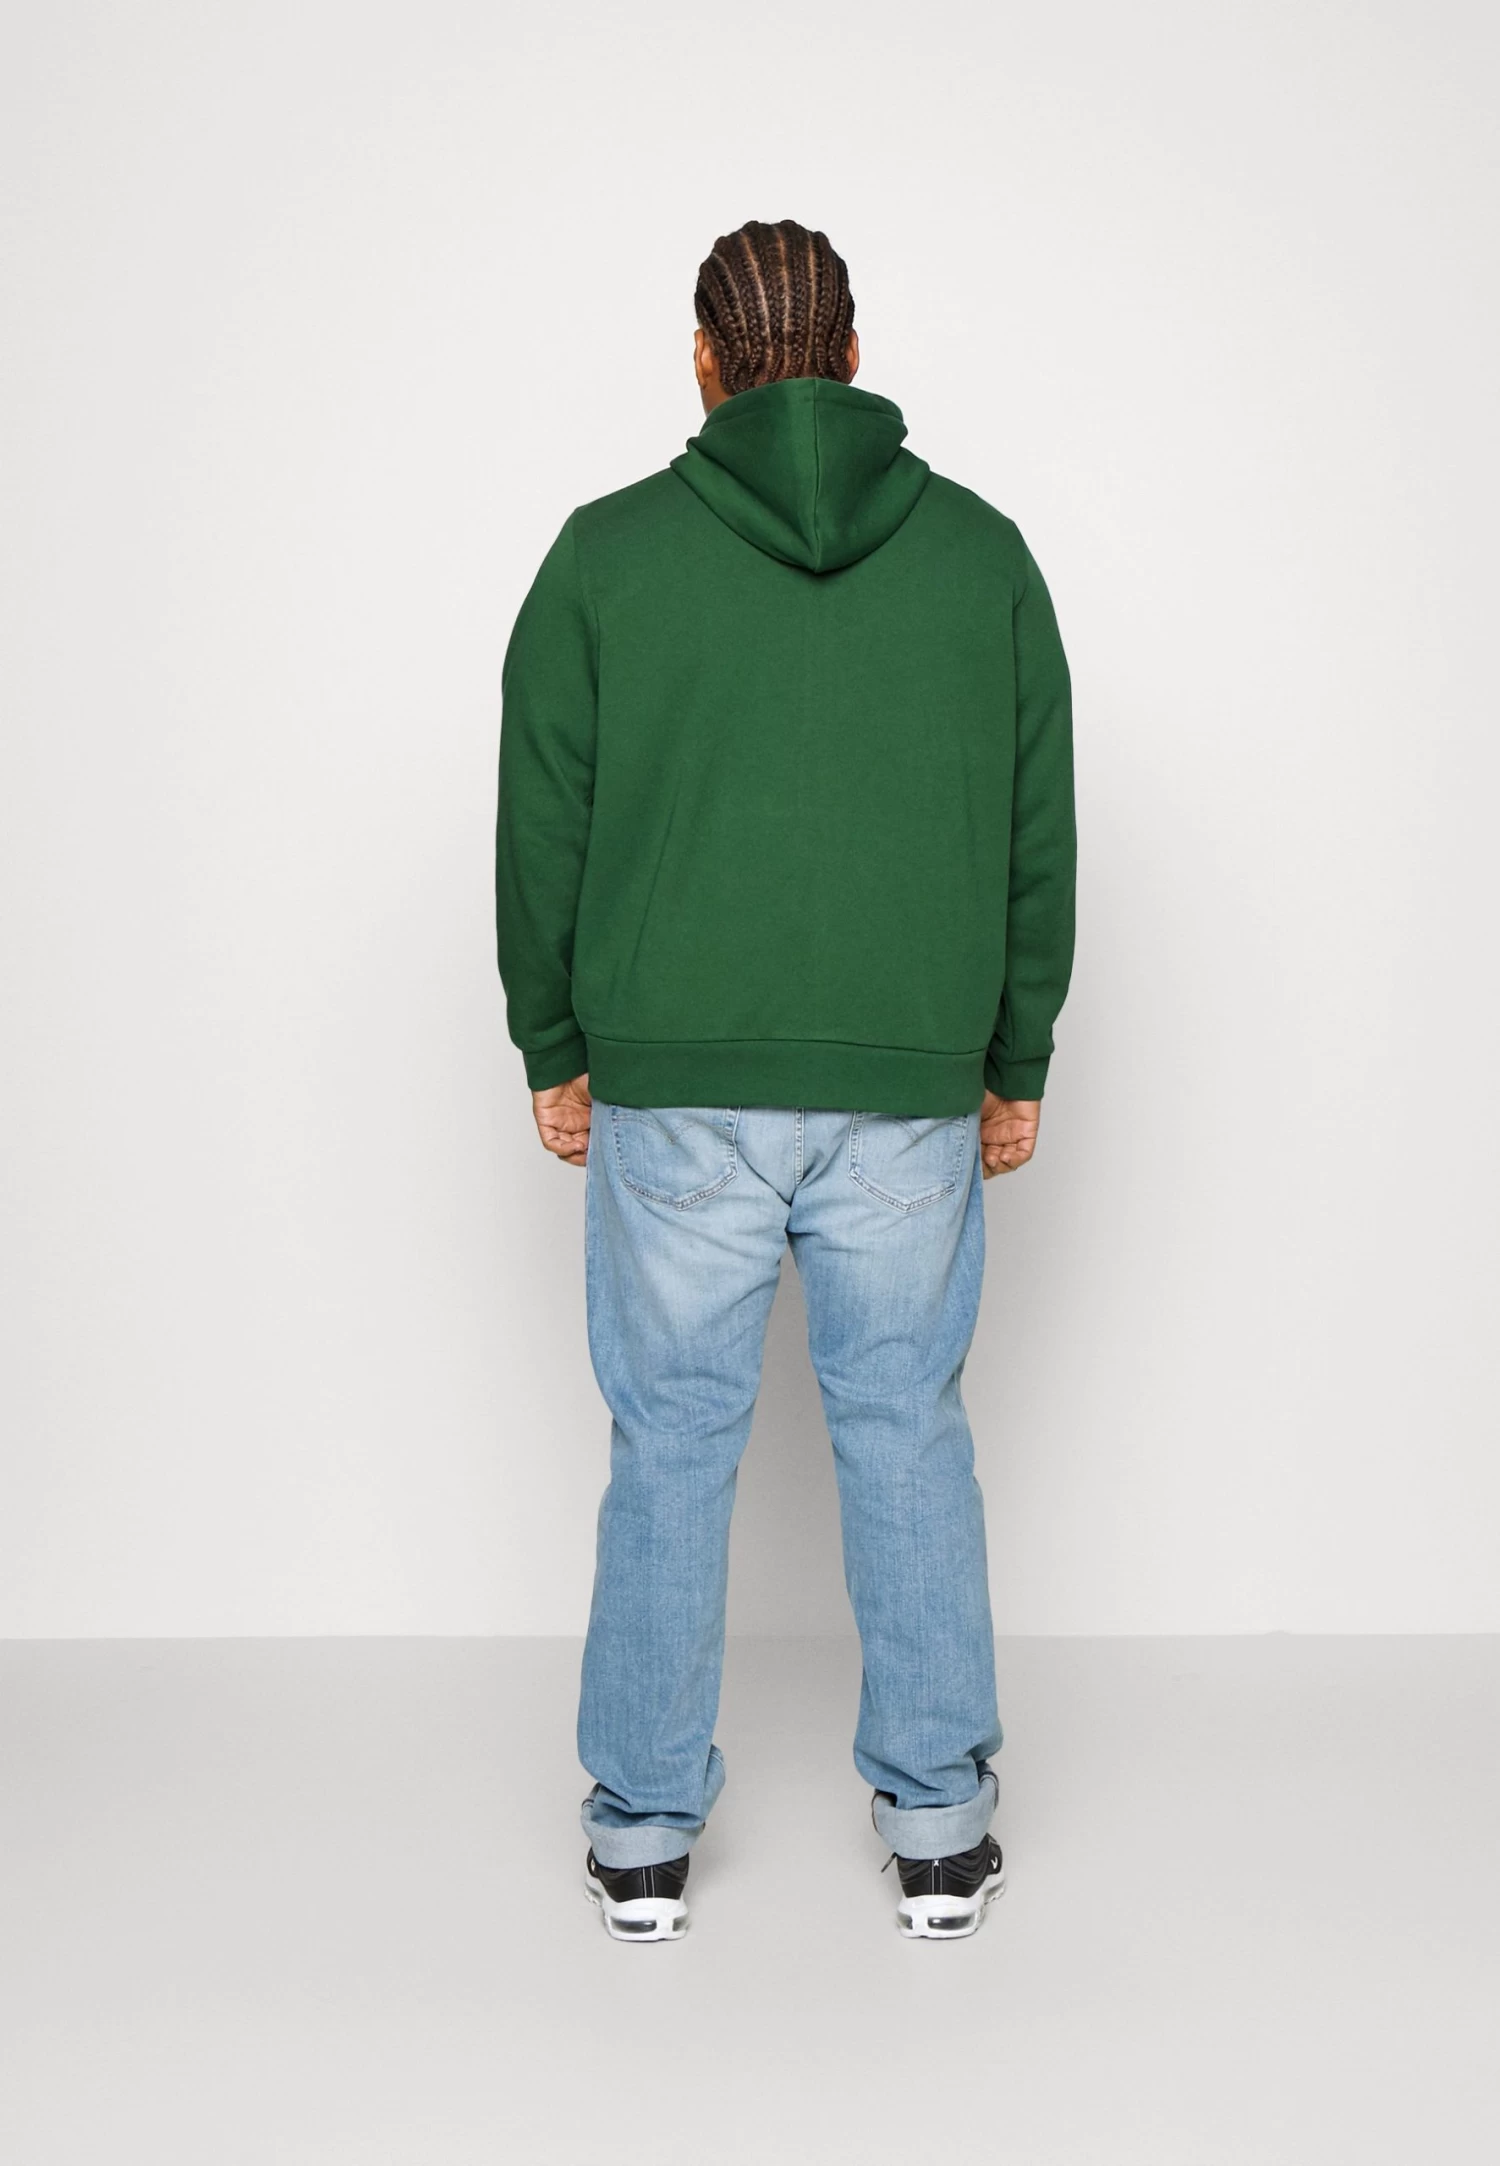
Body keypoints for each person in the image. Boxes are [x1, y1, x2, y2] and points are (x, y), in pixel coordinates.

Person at [495, 218, 1075, 1942]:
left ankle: (642, 1839)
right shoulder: (982, 559)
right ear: (851, 352)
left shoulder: (605, 558)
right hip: (908, 1089)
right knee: (906, 1430)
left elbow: (540, 817)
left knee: (671, 1445)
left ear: (705, 359)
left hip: (676, 1091)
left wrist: (553, 1040)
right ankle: (942, 1828)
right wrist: (1016, 1053)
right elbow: (1037, 826)